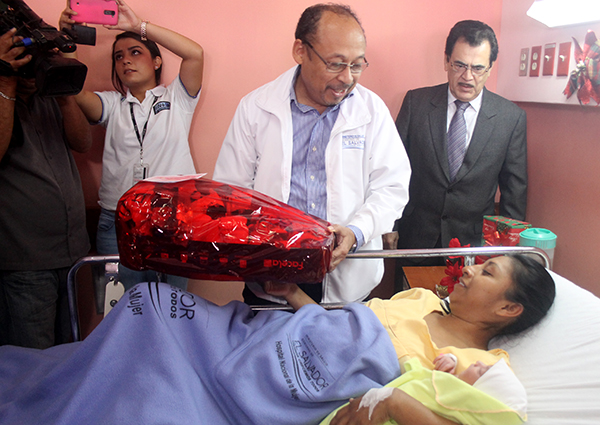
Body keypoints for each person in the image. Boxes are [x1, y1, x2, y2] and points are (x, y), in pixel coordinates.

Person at [0, 254, 554, 424]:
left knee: (145, 403)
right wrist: (291, 294)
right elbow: (335, 323)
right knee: (149, 306)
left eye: (488, 272)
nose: (469, 269)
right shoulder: (419, 299)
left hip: (290, 387)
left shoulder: (481, 366)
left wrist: (396, 399)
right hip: (275, 334)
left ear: (509, 307)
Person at [213, 4, 411, 304]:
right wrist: (262, 248)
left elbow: (392, 187)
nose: (347, 78)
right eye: (336, 64)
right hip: (271, 278)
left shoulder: (372, 111)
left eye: (357, 65)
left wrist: (356, 232)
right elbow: (231, 193)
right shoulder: (256, 108)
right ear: (300, 51)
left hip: (347, 284)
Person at [59, 0, 204, 291]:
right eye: (118, 56)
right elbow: (72, 89)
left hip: (172, 219)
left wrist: (138, 26)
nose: (126, 60)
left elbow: (195, 53)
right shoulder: (112, 104)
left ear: (157, 61)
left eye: (135, 52)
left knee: (171, 306)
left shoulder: (177, 98)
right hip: (117, 222)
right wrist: (67, 41)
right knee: (123, 309)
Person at [385, 20, 527, 258]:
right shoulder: (416, 104)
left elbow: (514, 191)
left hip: (474, 244)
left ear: (490, 68)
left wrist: (506, 250)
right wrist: (391, 224)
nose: (467, 77)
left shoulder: (510, 118)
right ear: (446, 61)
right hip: (416, 236)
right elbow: (393, 169)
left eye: (478, 68)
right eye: (459, 65)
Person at [0, 28, 92, 348]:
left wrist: (63, 93)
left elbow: (83, 142)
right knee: (31, 359)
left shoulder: (48, 97)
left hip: (72, 254)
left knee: (67, 350)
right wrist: (6, 83)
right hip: (25, 260)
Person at [322, 356, 527, 425]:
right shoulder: (445, 393)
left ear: (476, 397)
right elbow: (423, 382)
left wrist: (389, 400)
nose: (478, 362)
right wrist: (449, 368)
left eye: (482, 371)